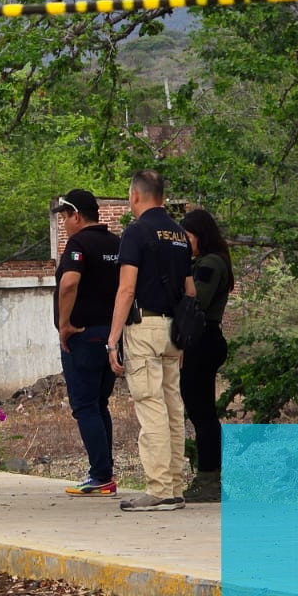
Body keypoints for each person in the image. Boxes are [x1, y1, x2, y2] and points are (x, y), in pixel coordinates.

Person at [106, 169, 194, 512]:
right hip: (174, 330)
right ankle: (174, 486)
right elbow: (189, 290)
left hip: (144, 328)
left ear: (135, 196)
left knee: (151, 407)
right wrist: (184, 337)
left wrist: (113, 340)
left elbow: (126, 289)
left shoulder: (136, 232)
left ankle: (158, 489)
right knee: (173, 407)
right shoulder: (179, 235)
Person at [51, 189, 122, 497]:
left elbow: (69, 283)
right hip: (112, 335)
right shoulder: (117, 244)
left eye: (65, 217)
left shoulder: (78, 244)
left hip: (83, 336)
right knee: (99, 403)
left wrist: (64, 324)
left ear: (76, 215)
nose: (64, 223)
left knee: (83, 404)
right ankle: (104, 471)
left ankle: (101, 474)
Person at [178, 208, 233, 503]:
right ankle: (208, 474)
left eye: (187, 237)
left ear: (200, 236)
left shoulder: (210, 264)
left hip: (203, 339)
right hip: (200, 340)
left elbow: (197, 299)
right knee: (200, 412)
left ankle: (210, 477)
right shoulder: (203, 261)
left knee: (203, 414)